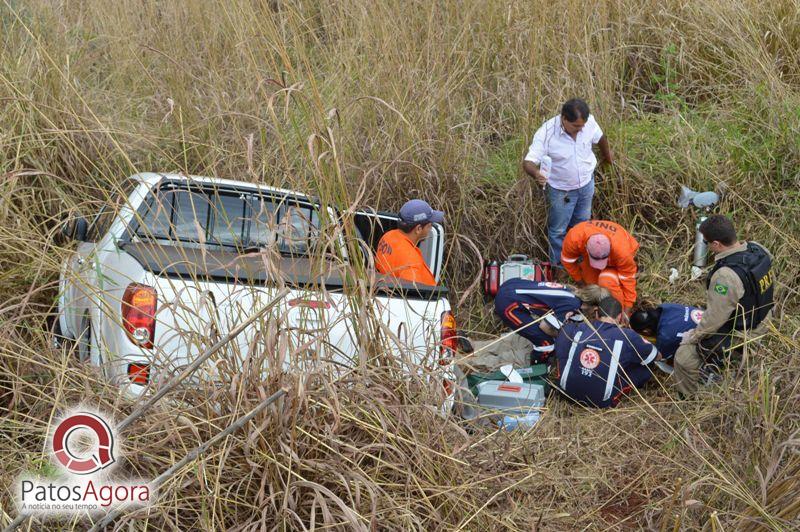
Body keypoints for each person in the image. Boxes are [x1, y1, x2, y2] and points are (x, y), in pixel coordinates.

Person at [673, 215, 774, 396]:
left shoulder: (725, 276)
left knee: (683, 358)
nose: (707, 245)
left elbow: (714, 319)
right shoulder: (759, 250)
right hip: (766, 317)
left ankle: (688, 400)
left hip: (745, 333)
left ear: (717, 244)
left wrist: (693, 337)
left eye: (706, 242)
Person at [522, 98, 613, 268]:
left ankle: (579, 262)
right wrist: (536, 174)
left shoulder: (589, 122)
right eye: (576, 127)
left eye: (582, 127)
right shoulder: (547, 132)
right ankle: (559, 268)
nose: (580, 131)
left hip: (586, 185)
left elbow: (600, 138)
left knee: (581, 226)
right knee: (558, 231)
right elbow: (528, 162)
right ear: (564, 118)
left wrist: (608, 157)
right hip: (561, 191)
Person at [461, 283, 610, 372]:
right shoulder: (572, 305)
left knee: (524, 336)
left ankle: (473, 345)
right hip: (510, 305)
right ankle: (470, 363)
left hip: (511, 290)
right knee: (546, 344)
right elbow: (546, 327)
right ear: (594, 306)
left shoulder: (571, 291)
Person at [553, 296, 661, 408]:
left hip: (566, 391)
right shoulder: (627, 336)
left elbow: (561, 348)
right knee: (646, 368)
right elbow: (656, 356)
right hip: (602, 401)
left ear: (596, 313)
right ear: (620, 317)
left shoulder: (579, 328)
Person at [560, 220, 640, 309]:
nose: (601, 266)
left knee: (606, 280)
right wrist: (580, 283)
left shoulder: (622, 252)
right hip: (590, 257)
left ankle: (616, 311)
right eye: (596, 260)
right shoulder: (574, 237)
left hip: (618, 258)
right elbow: (568, 261)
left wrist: (627, 307)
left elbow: (628, 278)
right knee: (591, 286)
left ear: (610, 247)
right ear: (586, 248)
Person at [375, 199, 443, 286]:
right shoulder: (412, 264)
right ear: (418, 229)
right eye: (429, 225)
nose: (430, 229)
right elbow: (412, 295)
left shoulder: (387, 236)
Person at [630, 303, 704, 361]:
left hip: (709, 340)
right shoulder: (665, 306)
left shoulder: (665, 337)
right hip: (710, 318)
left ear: (646, 331)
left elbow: (660, 357)